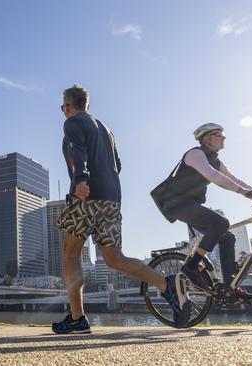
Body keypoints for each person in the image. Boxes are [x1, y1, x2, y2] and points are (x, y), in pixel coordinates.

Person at [53, 85, 191, 334]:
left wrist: (82, 180)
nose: (63, 110)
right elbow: (117, 165)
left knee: (70, 253)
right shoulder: (107, 131)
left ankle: (77, 319)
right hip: (112, 198)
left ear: (70, 106)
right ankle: (166, 285)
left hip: (87, 196)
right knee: (114, 258)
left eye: (63, 106)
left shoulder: (73, 123)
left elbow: (77, 152)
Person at [160, 123, 252, 303]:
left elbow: (233, 178)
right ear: (207, 138)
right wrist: (244, 192)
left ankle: (231, 288)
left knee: (227, 237)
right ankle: (191, 267)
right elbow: (213, 176)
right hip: (177, 204)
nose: (224, 137)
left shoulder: (215, 159)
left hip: (191, 205)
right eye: (219, 134)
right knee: (221, 223)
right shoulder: (195, 154)